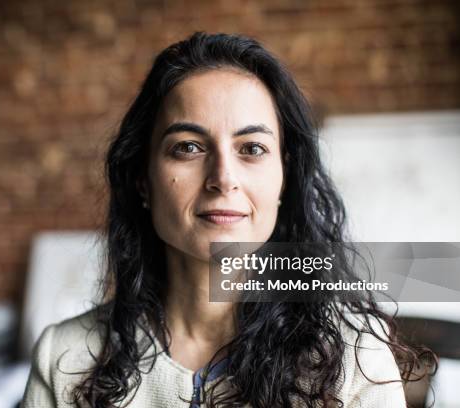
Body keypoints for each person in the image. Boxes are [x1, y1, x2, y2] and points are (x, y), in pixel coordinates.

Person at [22, 32, 430, 407]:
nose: (223, 179)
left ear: (284, 179)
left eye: (251, 148)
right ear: (142, 180)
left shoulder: (354, 365)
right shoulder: (65, 357)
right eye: (188, 147)